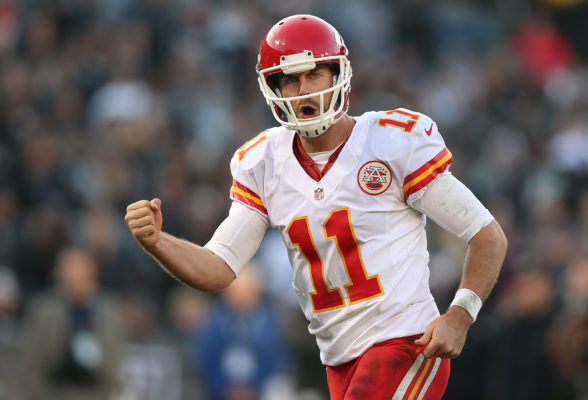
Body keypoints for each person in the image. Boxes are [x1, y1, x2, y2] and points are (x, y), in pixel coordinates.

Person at [125, 14, 507, 400]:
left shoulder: (392, 143)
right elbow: (218, 268)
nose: (303, 90)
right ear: (273, 88)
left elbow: (487, 235)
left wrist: (460, 314)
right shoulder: (265, 162)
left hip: (405, 343)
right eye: (290, 79)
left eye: (313, 75)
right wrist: (158, 242)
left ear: (338, 75)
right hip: (339, 360)